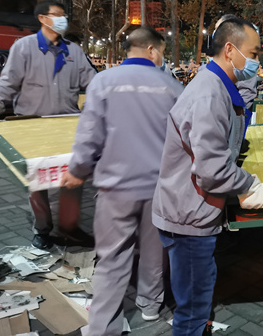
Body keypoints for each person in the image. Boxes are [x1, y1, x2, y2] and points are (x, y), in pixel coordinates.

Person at [152, 16, 263, 336]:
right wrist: (249, 184)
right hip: (189, 218)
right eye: (253, 53)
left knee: (196, 300)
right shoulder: (210, 94)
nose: (256, 61)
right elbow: (212, 170)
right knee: (193, 309)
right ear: (230, 49)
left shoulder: (217, 86)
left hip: (190, 210)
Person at [60, 27, 183, 335]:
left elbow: (89, 135)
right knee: (155, 253)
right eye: (162, 51)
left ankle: (103, 326)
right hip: (158, 189)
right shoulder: (172, 87)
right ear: (152, 50)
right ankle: (150, 306)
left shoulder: (103, 82)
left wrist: (78, 170)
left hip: (116, 188)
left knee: (112, 257)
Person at [0, 0, 96, 250]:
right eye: (57, 15)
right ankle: (42, 229)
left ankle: (69, 228)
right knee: (38, 182)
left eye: (64, 15)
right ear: (42, 18)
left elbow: (94, 83)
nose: (63, 20)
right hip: (32, 126)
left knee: (72, 179)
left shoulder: (73, 51)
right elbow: (8, 81)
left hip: (66, 125)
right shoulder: (24, 47)